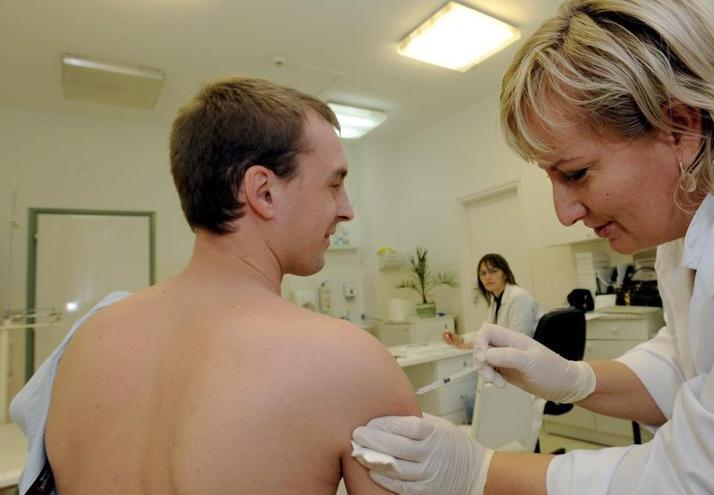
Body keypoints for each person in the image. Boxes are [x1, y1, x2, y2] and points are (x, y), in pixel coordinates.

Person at [351, 0, 714, 493]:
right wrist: (575, 380)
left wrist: (477, 470)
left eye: (576, 173)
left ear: (680, 125)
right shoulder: (693, 199)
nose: (565, 212)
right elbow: (692, 359)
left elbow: (708, 481)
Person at [9, 77, 420, 494]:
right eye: (334, 183)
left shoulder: (84, 345)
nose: (346, 210)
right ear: (264, 192)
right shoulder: (350, 362)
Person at [442, 253, 541, 349]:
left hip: (529, 359)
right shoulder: (495, 300)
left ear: (505, 274)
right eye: (483, 273)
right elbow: (485, 333)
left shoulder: (518, 297)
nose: (487, 277)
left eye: (493, 271)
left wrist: (478, 345)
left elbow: (519, 341)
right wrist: (461, 339)